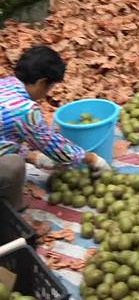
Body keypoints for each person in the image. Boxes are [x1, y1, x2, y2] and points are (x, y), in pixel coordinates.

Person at [0, 46, 110, 211]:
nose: (47, 93)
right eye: (49, 87)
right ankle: (10, 213)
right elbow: (55, 147)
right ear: (42, 82)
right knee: (13, 166)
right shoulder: (24, 109)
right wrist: (93, 159)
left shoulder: (5, 84)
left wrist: (32, 157)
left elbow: (4, 140)